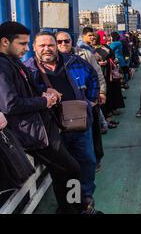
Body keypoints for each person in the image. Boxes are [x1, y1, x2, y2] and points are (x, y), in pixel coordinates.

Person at [0, 22, 81, 214]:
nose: (26, 49)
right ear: (4, 41)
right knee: (73, 170)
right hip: (31, 134)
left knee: (63, 171)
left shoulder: (12, 61)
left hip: (41, 128)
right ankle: (75, 209)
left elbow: (26, 88)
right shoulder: (2, 66)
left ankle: (69, 209)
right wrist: (44, 101)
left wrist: (46, 91)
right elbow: (10, 104)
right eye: (22, 44)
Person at [24, 31, 102, 214]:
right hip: (53, 128)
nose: (47, 49)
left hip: (80, 123)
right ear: (34, 47)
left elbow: (93, 78)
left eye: (50, 45)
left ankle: (85, 198)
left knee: (86, 161)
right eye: (42, 45)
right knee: (65, 169)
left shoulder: (73, 61)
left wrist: (89, 102)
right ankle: (72, 204)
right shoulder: (29, 70)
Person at [56, 30, 106, 170]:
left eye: (66, 41)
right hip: (67, 105)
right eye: (59, 41)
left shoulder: (84, 54)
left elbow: (97, 74)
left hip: (88, 100)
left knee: (93, 130)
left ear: (72, 41)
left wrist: (101, 92)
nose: (63, 44)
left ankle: (96, 159)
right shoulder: (54, 58)